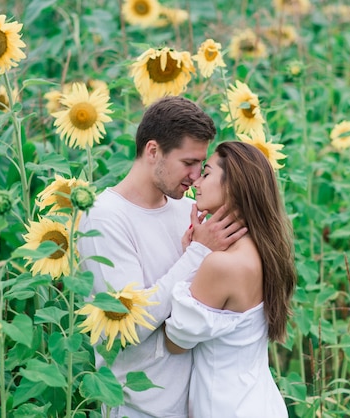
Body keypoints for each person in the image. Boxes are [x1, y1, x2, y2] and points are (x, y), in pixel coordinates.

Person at [77, 96, 247, 418]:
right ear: (153, 150)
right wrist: (198, 253)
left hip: (199, 404)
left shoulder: (186, 209)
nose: (197, 177)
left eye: (202, 165)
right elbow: (129, 326)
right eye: (188, 163)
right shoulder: (105, 218)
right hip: (140, 408)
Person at [164, 141, 297, 418]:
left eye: (207, 173)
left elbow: (175, 342)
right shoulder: (266, 252)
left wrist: (194, 257)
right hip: (261, 402)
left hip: (226, 408)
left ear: (233, 186)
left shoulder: (221, 264)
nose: (196, 182)